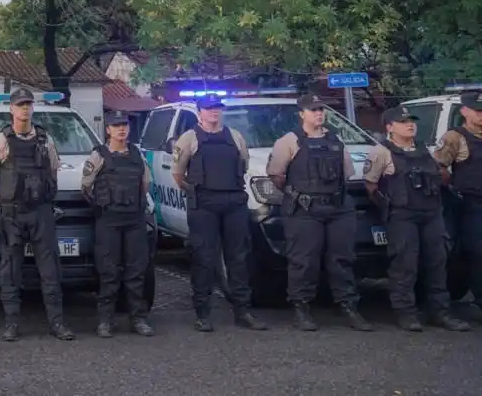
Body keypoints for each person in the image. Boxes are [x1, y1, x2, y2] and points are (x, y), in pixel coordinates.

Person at [266, 94, 372, 331]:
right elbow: (276, 175)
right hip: (305, 210)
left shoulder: (336, 140)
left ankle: (348, 306)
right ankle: (301, 308)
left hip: (338, 208)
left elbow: (346, 174)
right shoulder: (289, 141)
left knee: (342, 259)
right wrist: (300, 195)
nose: (319, 113)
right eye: (313, 110)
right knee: (303, 261)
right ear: (301, 114)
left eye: (321, 109)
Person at [365, 107, 469, 332]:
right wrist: (389, 207)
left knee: (437, 263)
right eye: (403, 122)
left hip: (431, 213)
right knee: (405, 265)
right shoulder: (382, 152)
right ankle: (406, 313)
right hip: (402, 216)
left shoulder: (425, 149)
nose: (410, 125)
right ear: (390, 127)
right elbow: (371, 186)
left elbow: (441, 177)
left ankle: (439, 312)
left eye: (411, 121)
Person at [0, 87, 75, 342]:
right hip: (12, 214)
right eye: (20, 104)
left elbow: (53, 171)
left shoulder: (46, 140)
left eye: (28, 104)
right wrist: (6, 200)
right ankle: (12, 324)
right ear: (11, 109)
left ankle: (57, 323)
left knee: (50, 270)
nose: (25, 108)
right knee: (10, 270)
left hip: (40, 213)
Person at [171, 95, 268, 332]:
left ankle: (242, 311)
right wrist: (196, 191)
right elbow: (178, 174)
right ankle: (203, 314)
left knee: (238, 258)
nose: (214, 112)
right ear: (199, 112)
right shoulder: (189, 138)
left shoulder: (235, 136)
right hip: (204, 204)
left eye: (217, 108)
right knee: (204, 258)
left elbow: (243, 165)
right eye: (209, 108)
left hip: (234, 202)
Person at [80, 111, 154, 337]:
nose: (121, 129)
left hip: (134, 219)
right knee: (108, 271)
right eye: (116, 126)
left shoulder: (137, 154)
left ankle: (138, 319)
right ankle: (105, 320)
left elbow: (145, 184)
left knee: (136, 272)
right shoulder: (98, 156)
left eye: (125, 125)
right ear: (108, 130)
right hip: (109, 220)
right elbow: (86, 186)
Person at [434, 89, 482, 320]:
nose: (481, 114)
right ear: (464, 111)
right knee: (477, 254)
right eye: (477, 110)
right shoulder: (455, 137)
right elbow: (439, 168)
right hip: (472, 204)